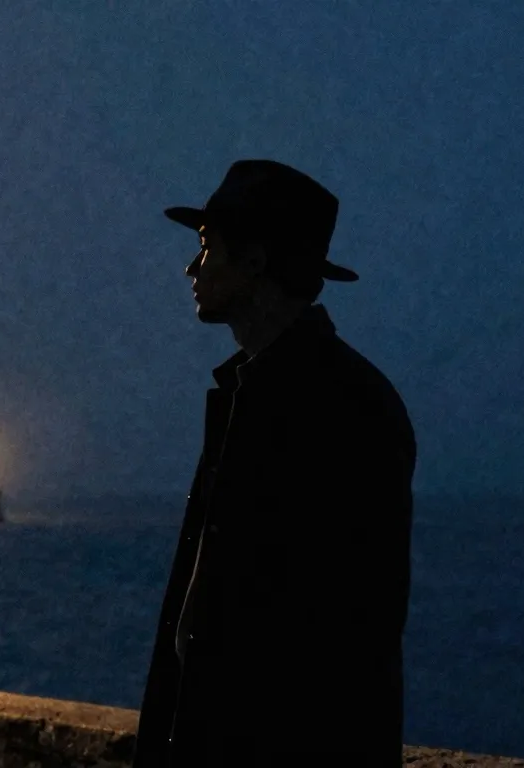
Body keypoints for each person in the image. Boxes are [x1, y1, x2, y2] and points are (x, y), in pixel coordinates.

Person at [134, 160, 417, 767]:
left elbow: (349, 630)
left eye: (207, 247)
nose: (191, 268)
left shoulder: (345, 407)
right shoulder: (256, 391)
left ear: (255, 261)